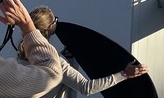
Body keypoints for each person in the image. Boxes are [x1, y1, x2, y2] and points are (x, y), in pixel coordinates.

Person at [17, 6, 148, 98]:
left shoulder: (22, 54)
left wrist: (66, 56)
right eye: (55, 20)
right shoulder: (54, 60)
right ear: (50, 27)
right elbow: (86, 88)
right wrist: (125, 74)